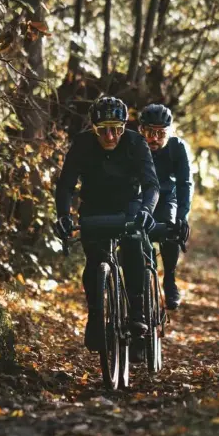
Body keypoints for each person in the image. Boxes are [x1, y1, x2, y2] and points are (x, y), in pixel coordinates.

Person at [54, 96, 159, 352]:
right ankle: (95, 315)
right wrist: (63, 216)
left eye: (116, 129)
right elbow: (66, 184)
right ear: (93, 128)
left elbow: (151, 185)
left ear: (125, 127)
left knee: (133, 244)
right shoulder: (82, 144)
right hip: (94, 206)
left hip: (129, 206)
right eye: (103, 130)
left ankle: (137, 312)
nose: (110, 136)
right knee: (94, 260)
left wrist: (147, 210)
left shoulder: (136, 143)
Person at [138, 103, 193, 309]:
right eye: (149, 132)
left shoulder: (177, 147)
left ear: (169, 133)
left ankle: (169, 279)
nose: (154, 139)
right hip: (139, 197)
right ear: (141, 130)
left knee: (171, 227)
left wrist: (183, 216)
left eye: (161, 134)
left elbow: (184, 183)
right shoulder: (133, 144)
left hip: (167, 196)